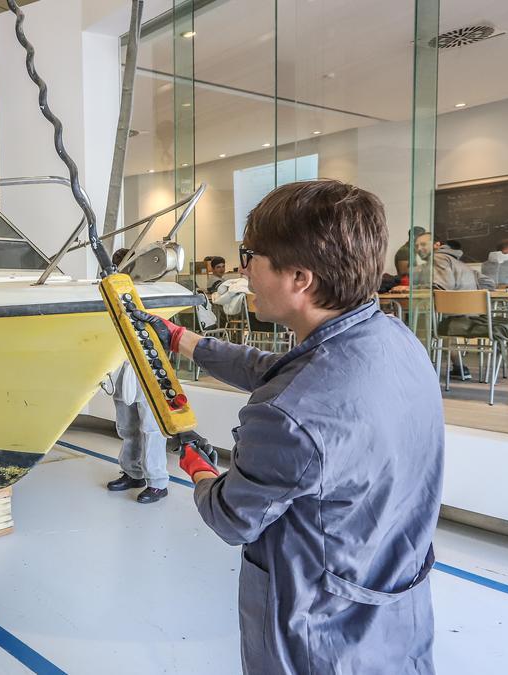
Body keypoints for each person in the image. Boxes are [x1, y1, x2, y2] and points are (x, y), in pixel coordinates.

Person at [133, 180, 443, 674]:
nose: (242, 270)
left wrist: (196, 462)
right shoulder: (392, 340)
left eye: (250, 255)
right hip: (394, 608)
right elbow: (279, 369)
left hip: (318, 636)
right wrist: (183, 340)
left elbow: (231, 517)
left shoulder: (288, 417)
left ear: (299, 277)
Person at [104, 249, 171, 504]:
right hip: (121, 364)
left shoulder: (149, 292)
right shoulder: (108, 292)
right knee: (126, 424)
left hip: (148, 363)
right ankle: (133, 473)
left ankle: (158, 482)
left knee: (151, 426)